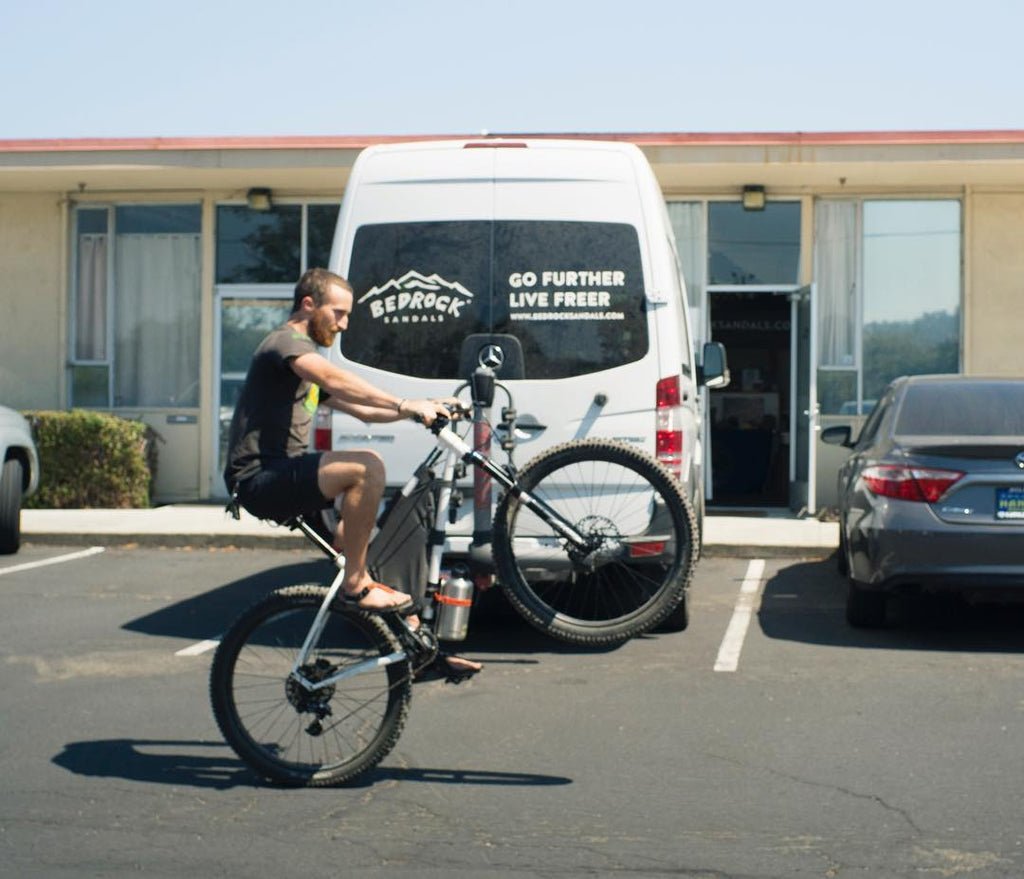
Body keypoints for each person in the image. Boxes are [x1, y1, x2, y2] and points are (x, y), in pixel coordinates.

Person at [224, 267, 449, 614]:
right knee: (367, 467)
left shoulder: (298, 365)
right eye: (339, 313)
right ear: (309, 304)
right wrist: (405, 404)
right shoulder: (286, 343)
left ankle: (412, 642)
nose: (343, 325)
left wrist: (425, 407)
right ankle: (355, 587)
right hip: (260, 478)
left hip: (284, 474)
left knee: (363, 538)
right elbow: (334, 377)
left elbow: (365, 411)